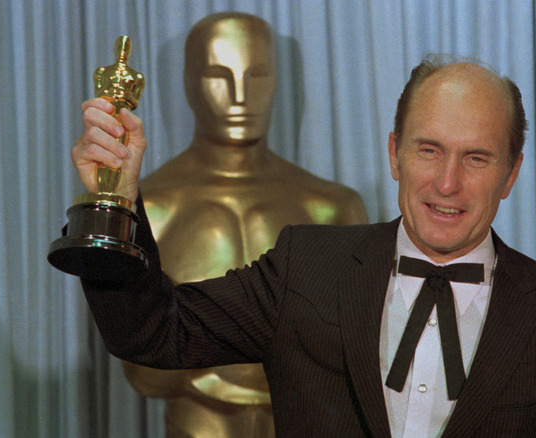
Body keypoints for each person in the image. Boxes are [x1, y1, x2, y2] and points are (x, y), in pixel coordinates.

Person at [70, 55, 536, 436]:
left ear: (512, 173)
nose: (447, 183)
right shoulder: (306, 269)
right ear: (394, 152)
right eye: (429, 150)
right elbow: (154, 331)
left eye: (477, 158)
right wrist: (114, 198)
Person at [119, 12, 367, 438]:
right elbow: (146, 375)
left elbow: (359, 358)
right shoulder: (149, 207)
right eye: (219, 75)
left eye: (258, 75)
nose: (240, 96)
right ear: (188, 81)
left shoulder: (333, 208)